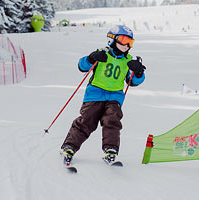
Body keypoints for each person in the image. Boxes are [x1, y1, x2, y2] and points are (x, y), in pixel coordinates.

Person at [60, 25, 146, 165]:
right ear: (111, 40)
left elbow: (134, 82)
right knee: (87, 121)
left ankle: (110, 149)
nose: (126, 45)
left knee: (112, 120)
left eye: (130, 42)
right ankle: (69, 146)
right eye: (123, 40)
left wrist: (138, 72)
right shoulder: (102, 54)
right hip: (95, 94)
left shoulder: (128, 61)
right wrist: (91, 58)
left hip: (115, 97)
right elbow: (82, 66)